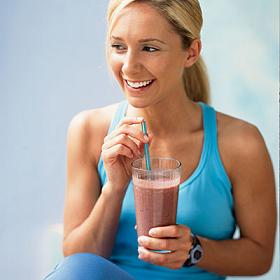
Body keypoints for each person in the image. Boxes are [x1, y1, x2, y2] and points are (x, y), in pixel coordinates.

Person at [43, 0, 276, 279]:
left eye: (149, 48)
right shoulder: (88, 130)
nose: (129, 67)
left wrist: (194, 250)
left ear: (191, 52)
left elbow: (259, 257)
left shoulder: (240, 143)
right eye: (118, 47)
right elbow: (79, 262)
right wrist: (114, 188)